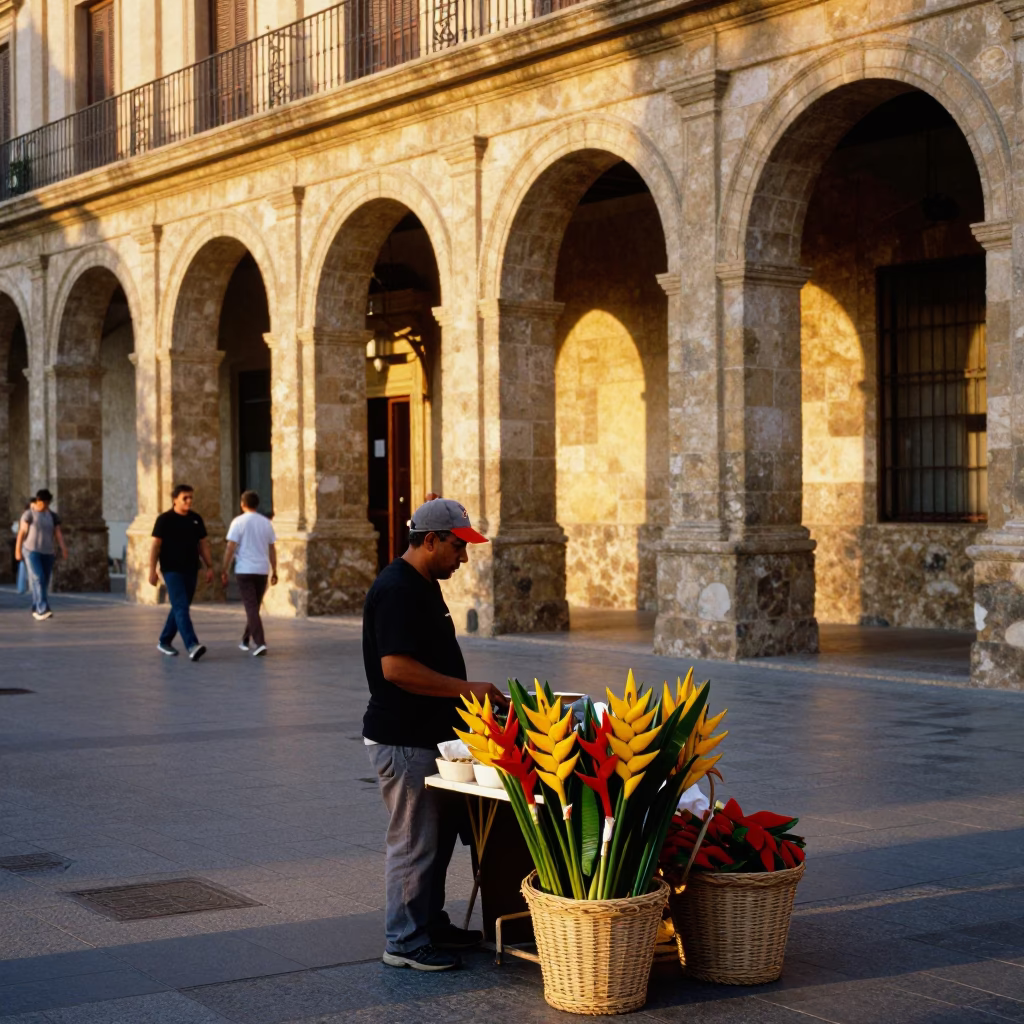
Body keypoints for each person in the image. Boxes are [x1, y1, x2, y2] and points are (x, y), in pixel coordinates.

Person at [363, 497, 508, 972]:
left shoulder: (424, 583)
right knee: (413, 841)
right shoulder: (397, 589)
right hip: (404, 740)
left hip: (432, 739)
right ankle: (403, 940)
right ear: (430, 541)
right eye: (458, 547)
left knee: (438, 838)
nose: (463, 558)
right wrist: (470, 689)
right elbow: (397, 669)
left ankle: (428, 921)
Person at [149, 484, 213, 661]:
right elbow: (155, 546)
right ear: (175, 499)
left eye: (191, 497)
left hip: (191, 569)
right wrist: (152, 571)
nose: (189, 501)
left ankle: (164, 640)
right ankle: (192, 645)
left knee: (179, 607)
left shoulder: (196, 519)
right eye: (185, 498)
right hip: (171, 570)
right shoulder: (164, 519)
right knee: (181, 606)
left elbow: (203, 545)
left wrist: (209, 566)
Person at [221, 490, 277, 657]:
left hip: (244, 570)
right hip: (261, 570)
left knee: (252, 607)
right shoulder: (266, 523)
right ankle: (246, 639)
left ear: (242, 504)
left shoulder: (238, 522)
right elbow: (272, 548)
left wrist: (224, 568)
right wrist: (275, 570)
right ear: (257, 504)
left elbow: (230, 546)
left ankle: (259, 643)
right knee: (254, 607)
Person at [14, 489, 67, 620]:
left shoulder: (53, 516)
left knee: (44, 580)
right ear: (38, 501)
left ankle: (35, 606)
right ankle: (42, 609)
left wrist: (63, 548)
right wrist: (18, 550)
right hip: (31, 551)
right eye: (44, 503)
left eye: (48, 503)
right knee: (39, 577)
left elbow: (58, 533)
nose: (46, 506)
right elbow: (21, 533)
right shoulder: (29, 514)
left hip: (48, 553)